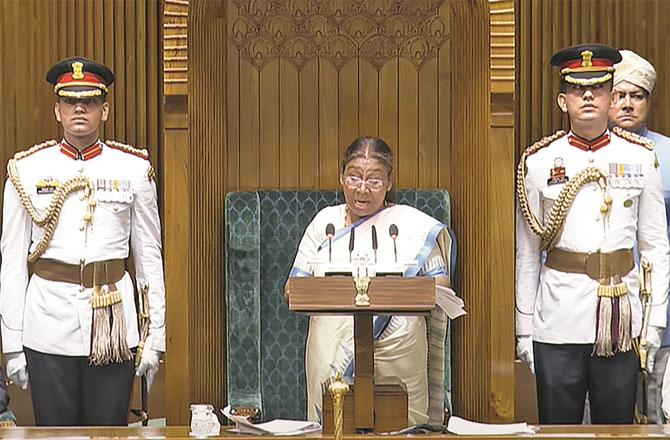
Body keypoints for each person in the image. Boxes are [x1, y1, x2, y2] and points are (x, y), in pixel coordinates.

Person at [0, 56, 166, 426]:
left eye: (89, 101)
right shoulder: (25, 171)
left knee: (110, 432)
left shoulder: (134, 169)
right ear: (57, 110)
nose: (79, 108)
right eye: (70, 101)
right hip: (47, 323)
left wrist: (156, 337)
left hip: (112, 324)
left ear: (104, 110)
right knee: (54, 433)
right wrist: (12, 346)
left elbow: (150, 257)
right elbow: (11, 263)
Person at [515, 44, 669, 424]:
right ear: (562, 100)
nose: (588, 96)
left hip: (619, 319)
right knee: (559, 430)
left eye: (598, 89)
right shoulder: (538, 162)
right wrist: (524, 329)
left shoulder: (640, 157)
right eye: (578, 89)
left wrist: (655, 322)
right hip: (558, 317)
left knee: (618, 430)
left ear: (609, 96)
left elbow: (654, 248)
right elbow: (527, 253)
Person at [288, 136, 454, 425]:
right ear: (341, 177)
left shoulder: (411, 225)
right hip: (332, 343)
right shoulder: (323, 224)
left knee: (400, 427)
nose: (362, 189)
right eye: (354, 177)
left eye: (374, 180)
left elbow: (440, 286)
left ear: (389, 182)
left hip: (400, 348)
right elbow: (293, 289)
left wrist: (391, 294)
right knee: (335, 423)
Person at [609, 49, 670, 423]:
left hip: (660, 312)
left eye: (638, 96)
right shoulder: (582, 154)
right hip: (601, 308)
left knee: (658, 416)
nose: (628, 104)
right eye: (619, 95)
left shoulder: (667, 153)